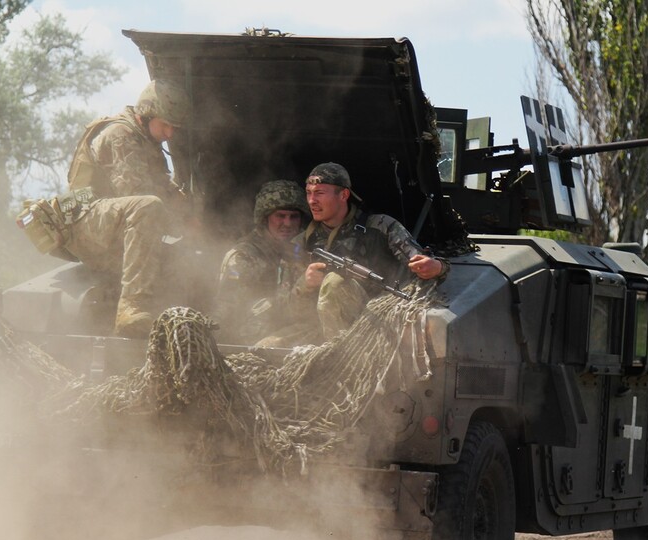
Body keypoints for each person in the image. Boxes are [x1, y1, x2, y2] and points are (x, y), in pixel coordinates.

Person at [62, 79, 193, 337]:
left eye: (174, 127)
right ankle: (132, 306)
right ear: (146, 114)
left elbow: (165, 192)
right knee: (149, 206)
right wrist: (182, 222)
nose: (170, 134)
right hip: (88, 223)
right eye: (165, 125)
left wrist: (192, 217)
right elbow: (139, 196)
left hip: (115, 224)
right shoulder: (120, 135)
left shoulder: (146, 140)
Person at [289, 162, 449, 340]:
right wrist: (305, 285)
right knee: (267, 345)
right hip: (317, 328)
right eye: (309, 193)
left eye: (319, 193)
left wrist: (437, 267)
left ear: (343, 195)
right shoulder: (302, 242)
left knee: (334, 283)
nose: (312, 201)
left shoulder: (380, 227)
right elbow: (286, 310)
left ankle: (339, 358)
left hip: (375, 326)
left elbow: (422, 264)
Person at [213, 180, 310, 345]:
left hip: (288, 333)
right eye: (280, 216)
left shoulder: (300, 250)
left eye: (294, 217)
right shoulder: (244, 256)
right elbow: (226, 309)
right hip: (250, 339)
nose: (287, 223)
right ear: (265, 218)